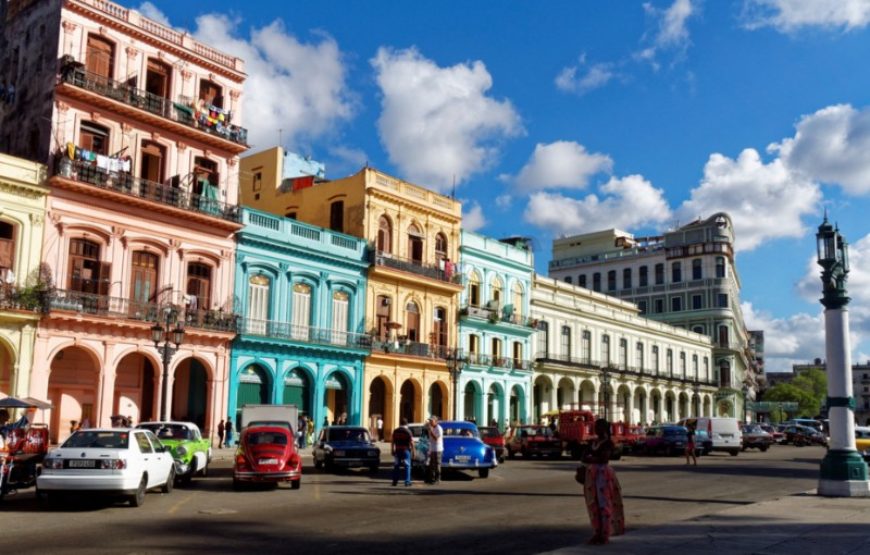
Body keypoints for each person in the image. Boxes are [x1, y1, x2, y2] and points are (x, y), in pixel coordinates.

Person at [581, 418, 625, 545]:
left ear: (604, 428)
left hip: (603, 475)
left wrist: (590, 458)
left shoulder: (608, 443)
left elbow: (603, 459)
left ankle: (605, 534)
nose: (596, 429)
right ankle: (597, 532)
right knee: (593, 504)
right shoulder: (593, 442)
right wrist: (592, 458)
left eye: (598, 427)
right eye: (595, 426)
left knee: (604, 503)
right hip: (592, 474)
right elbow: (584, 456)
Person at [391, 418, 415, 487]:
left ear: (400, 423)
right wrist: (413, 452)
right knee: (407, 466)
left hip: (397, 450)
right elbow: (412, 442)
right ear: (406, 424)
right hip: (405, 450)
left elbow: (392, 441)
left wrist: (392, 450)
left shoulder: (395, 431)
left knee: (396, 465)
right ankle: (407, 482)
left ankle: (395, 481)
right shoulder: (408, 431)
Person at [427, 416, 444, 485]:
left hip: (438, 449)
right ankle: (432, 478)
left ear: (436, 421)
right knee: (431, 465)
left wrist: (431, 431)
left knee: (437, 464)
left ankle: (438, 478)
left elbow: (436, 439)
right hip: (432, 449)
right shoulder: (432, 428)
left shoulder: (439, 428)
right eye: (430, 421)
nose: (430, 422)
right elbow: (430, 439)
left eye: (431, 421)